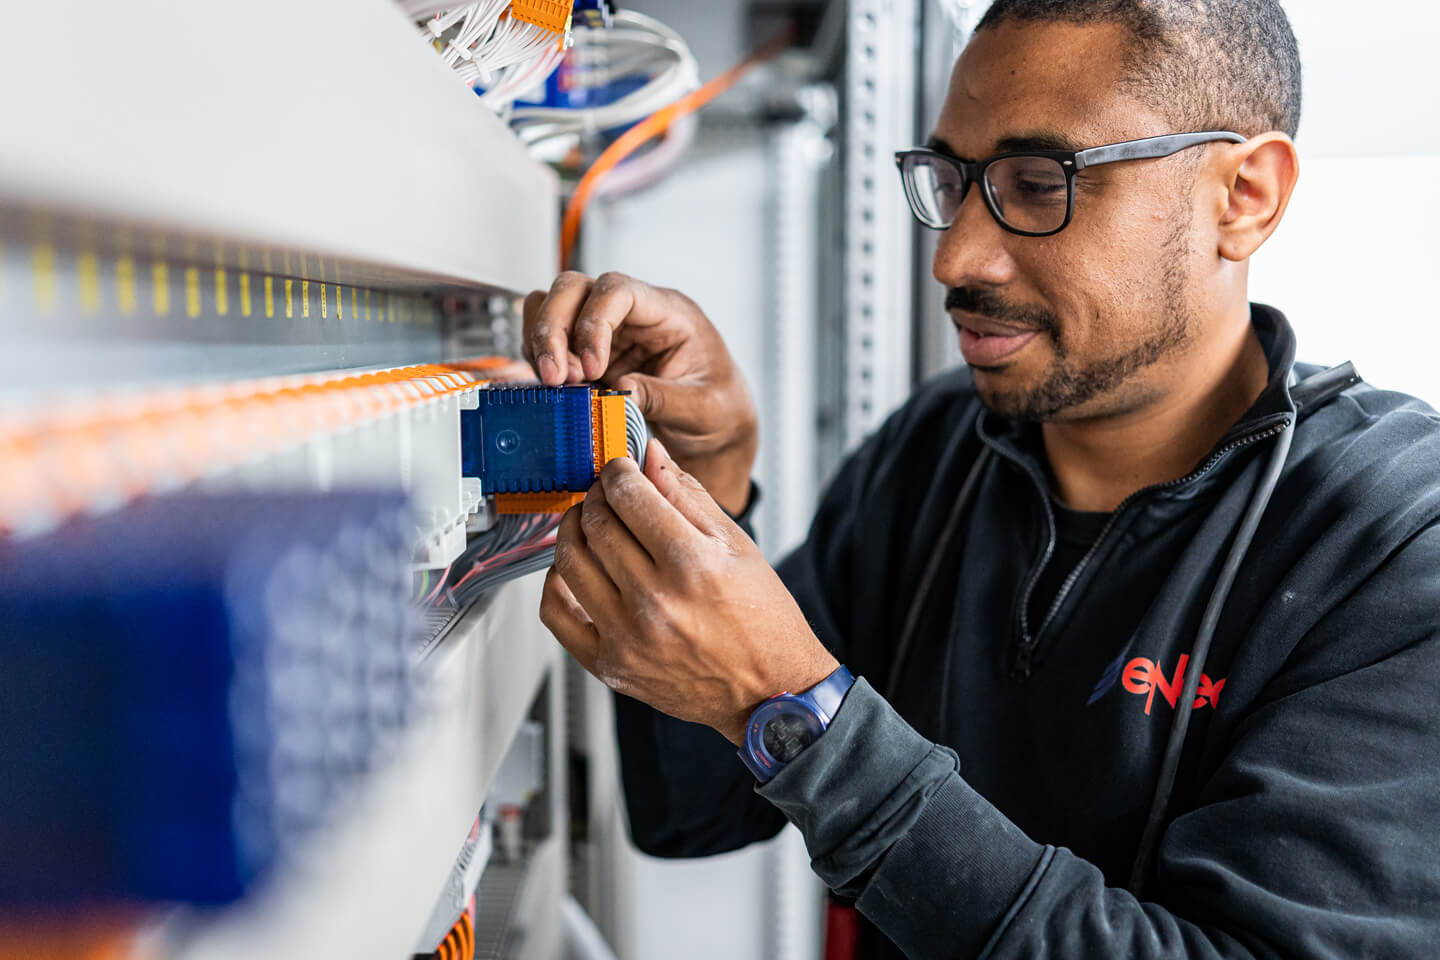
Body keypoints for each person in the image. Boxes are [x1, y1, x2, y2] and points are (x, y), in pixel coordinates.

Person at [526, 0, 1440, 956]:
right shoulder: (940, 451)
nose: (955, 255)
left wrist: (796, 708)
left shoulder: (1393, 546)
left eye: (1040, 183)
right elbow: (698, 811)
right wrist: (704, 479)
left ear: (1245, 194)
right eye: (952, 182)